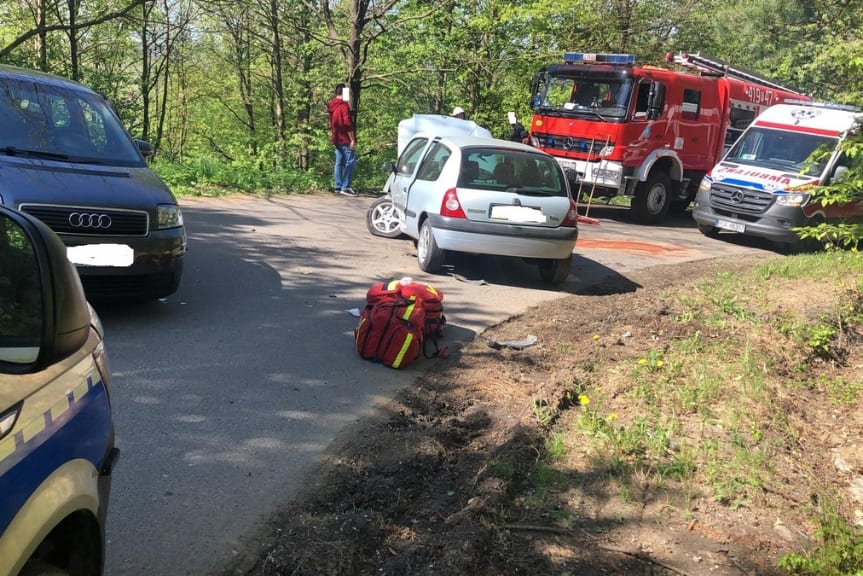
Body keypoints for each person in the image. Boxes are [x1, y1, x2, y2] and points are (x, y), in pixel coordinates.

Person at [328, 83, 357, 196]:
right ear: (344, 93)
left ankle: (338, 186)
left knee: (339, 163)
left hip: (336, 137)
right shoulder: (343, 106)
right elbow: (347, 123)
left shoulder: (332, 105)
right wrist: (352, 139)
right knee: (351, 161)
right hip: (345, 138)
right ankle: (345, 187)